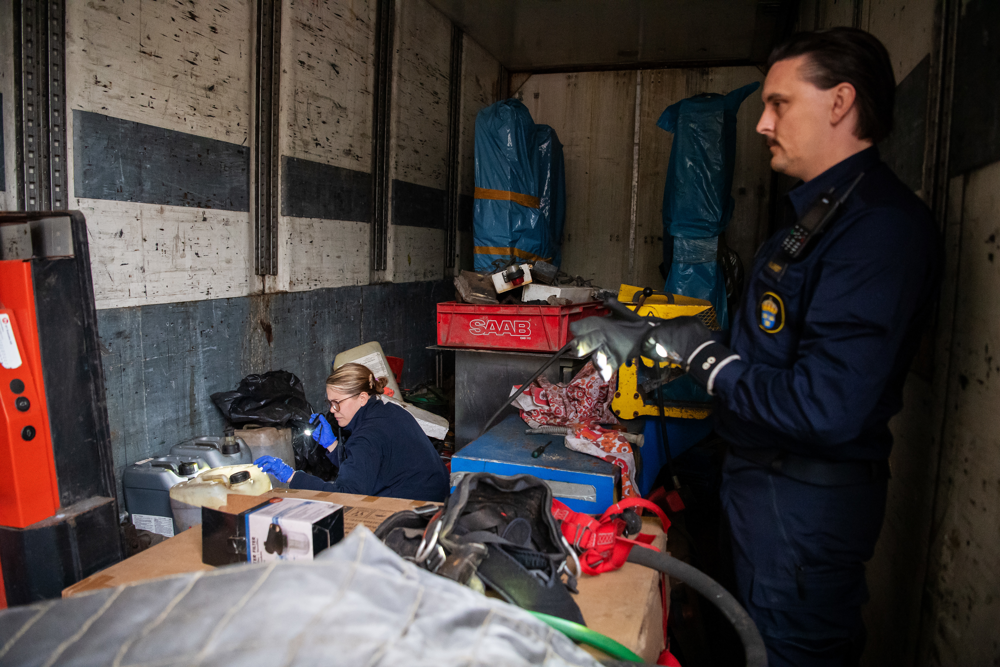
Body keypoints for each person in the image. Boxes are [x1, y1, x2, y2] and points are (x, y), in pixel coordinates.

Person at [649, 28, 942, 666]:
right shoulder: (815, 217)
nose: (762, 123)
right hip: (760, 487)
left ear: (840, 103)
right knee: (738, 645)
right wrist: (706, 344)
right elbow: (778, 346)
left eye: (779, 103)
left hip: (803, 508)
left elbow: (826, 406)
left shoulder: (877, 230)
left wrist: (706, 361)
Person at [255, 362, 449, 502]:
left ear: (362, 398)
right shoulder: (389, 410)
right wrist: (332, 446)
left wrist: (292, 476)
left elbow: (346, 495)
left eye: (337, 403)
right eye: (330, 403)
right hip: (435, 495)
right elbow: (366, 465)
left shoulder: (366, 436)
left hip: (415, 509)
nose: (332, 410)